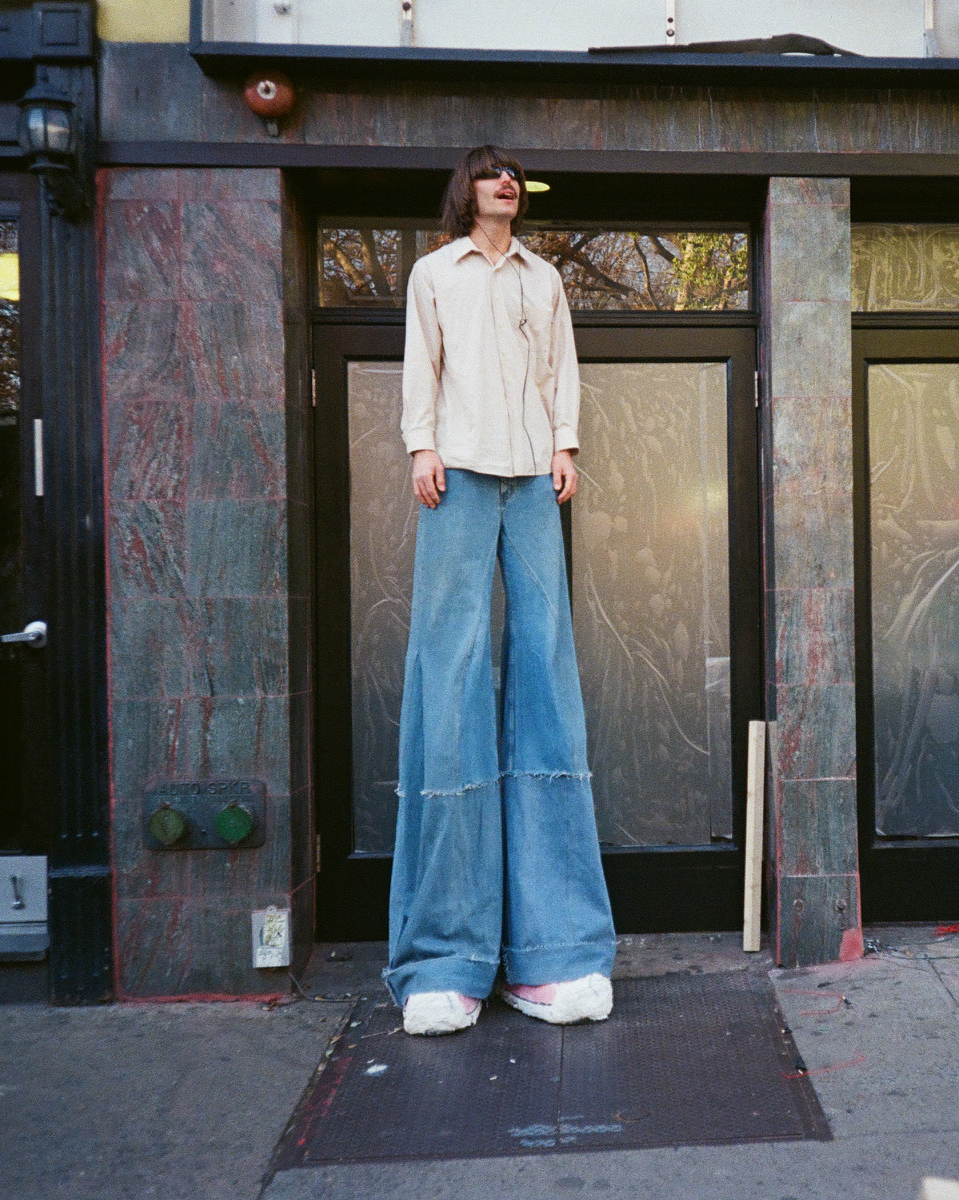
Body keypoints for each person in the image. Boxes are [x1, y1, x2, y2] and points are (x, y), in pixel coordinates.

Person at [385, 145, 617, 1035]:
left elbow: (561, 366)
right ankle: (445, 957)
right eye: (491, 175)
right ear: (467, 193)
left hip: (531, 475)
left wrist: (565, 445)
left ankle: (555, 954)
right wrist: (420, 446)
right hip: (457, 473)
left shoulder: (544, 277)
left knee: (546, 668)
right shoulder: (434, 272)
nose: (504, 184)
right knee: (449, 671)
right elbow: (423, 366)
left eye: (514, 175)